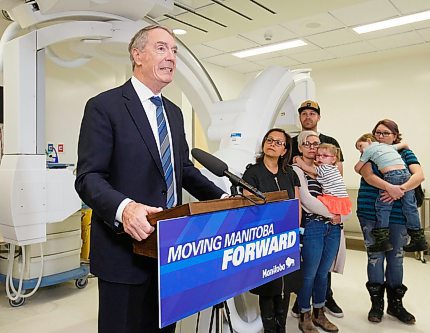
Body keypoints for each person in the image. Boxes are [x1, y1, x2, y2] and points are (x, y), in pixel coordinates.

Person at [74, 25, 225, 333]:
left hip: (170, 250)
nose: (170, 57)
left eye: (174, 51)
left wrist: (222, 199)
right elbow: (88, 178)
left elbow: (182, 170)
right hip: (124, 253)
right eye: (161, 48)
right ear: (137, 55)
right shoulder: (105, 106)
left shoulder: (173, 112)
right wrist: (125, 209)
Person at [356, 119, 425, 325]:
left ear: (395, 136)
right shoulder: (369, 151)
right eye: (377, 132)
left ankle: (396, 305)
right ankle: (376, 304)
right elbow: (367, 175)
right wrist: (390, 187)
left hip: (398, 216)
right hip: (370, 212)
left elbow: (419, 176)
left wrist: (399, 190)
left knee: (396, 258)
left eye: (386, 133)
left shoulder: (405, 154)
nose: (381, 136)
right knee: (375, 257)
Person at [241, 128, 301, 333]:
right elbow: (249, 207)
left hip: (287, 237)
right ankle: (269, 329)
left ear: (285, 150)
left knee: (285, 285)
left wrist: (294, 231)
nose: (272, 144)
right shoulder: (252, 172)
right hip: (264, 238)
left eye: (278, 142)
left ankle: (281, 327)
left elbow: (297, 204)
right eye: (269, 140)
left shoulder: (290, 173)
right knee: (269, 285)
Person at [290, 100, 344, 319]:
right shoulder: (292, 145)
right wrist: (331, 214)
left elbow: (337, 176)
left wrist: (337, 214)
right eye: (304, 113)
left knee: (324, 268)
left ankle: (323, 302)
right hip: (311, 220)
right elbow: (301, 190)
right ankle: (302, 307)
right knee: (308, 268)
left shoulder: (331, 143)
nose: (308, 117)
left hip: (333, 220)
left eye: (312, 113)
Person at [354, 133, 426, 253]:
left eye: (360, 146)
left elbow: (357, 168)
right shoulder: (388, 147)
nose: (360, 150)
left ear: (368, 140)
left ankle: (382, 241)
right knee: (410, 207)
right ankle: (418, 239)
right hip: (406, 175)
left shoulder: (369, 150)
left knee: (383, 206)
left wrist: (364, 157)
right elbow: (405, 145)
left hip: (391, 175)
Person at [295, 143, 351, 218]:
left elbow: (305, 167)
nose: (320, 158)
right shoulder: (334, 168)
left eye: (325, 156)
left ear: (333, 159)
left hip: (332, 199)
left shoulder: (324, 168)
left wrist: (297, 159)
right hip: (343, 199)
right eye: (318, 155)